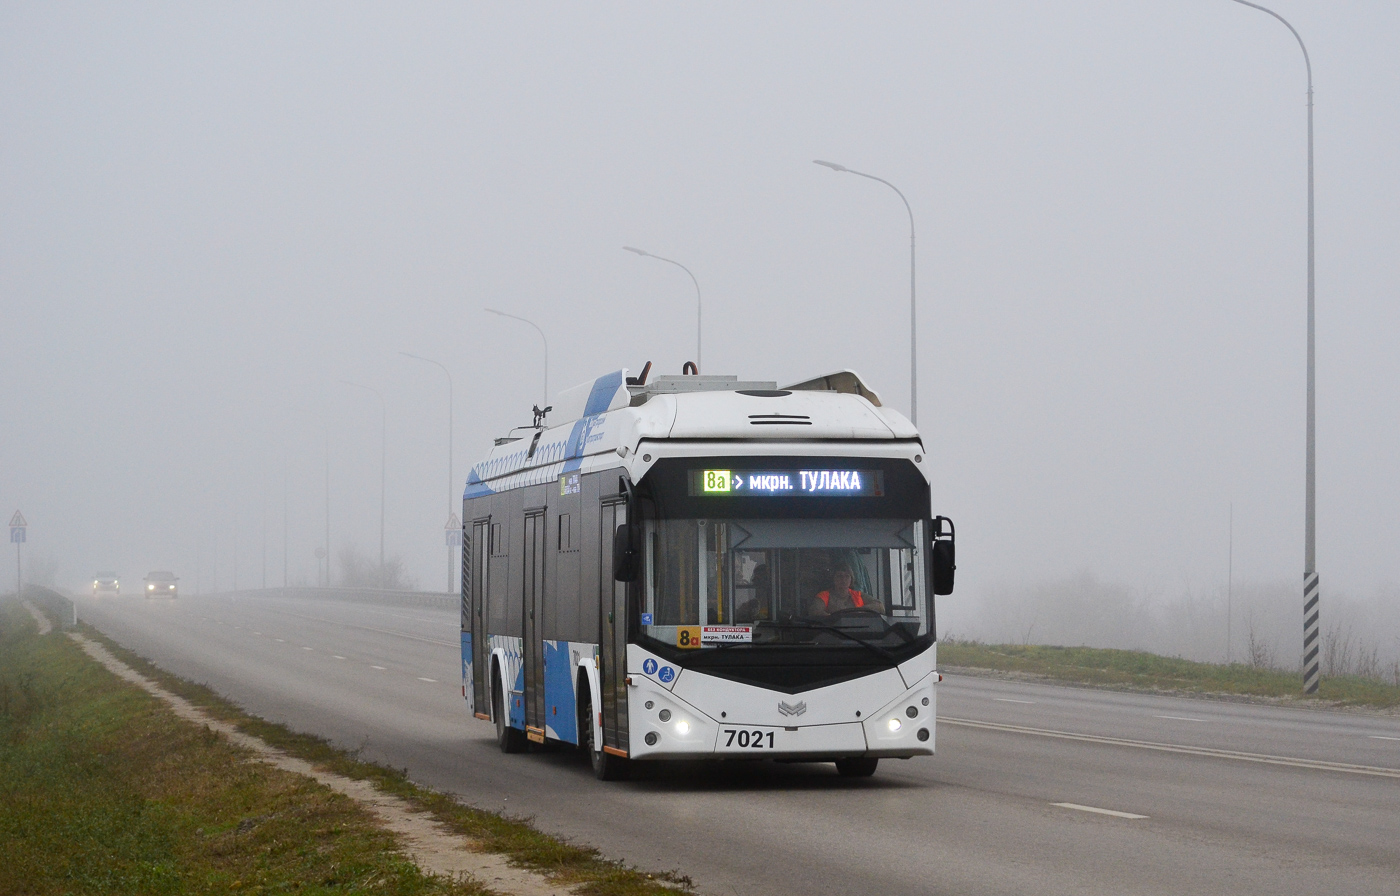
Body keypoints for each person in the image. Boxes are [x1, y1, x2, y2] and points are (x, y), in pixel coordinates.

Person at [809, 565, 885, 616]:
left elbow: (880, 607)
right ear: (833, 579)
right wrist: (834, 619)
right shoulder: (824, 595)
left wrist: (859, 611)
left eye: (847, 576)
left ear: (851, 579)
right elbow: (815, 611)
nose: (843, 580)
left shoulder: (858, 595)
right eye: (839, 576)